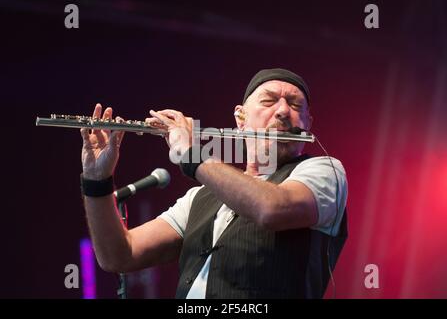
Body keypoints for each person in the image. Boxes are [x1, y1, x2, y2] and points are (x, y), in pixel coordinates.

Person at [80, 68, 348, 299]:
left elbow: (272, 208)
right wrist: (96, 180)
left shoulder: (324, 171)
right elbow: (119, 255)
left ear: (308, 124)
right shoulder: (200, 197)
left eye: (295, 105)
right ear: (240, 119)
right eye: (269, 101)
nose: (282, 111)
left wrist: (191, 154)